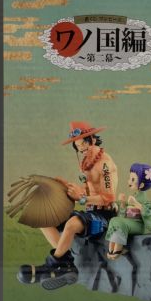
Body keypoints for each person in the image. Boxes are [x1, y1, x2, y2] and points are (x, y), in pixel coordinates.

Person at [17, 121, 118, 289]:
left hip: (104, 216)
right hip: (90, 213)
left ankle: (53, 264)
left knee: (72, 224)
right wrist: (66, 186)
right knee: (44, 219)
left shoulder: (105, 164)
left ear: (93, 140)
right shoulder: (87, 163)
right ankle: (66, 263)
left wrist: (82, 199)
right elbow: (87, 191)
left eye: (83, 143)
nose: (81, 148)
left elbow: (108, 197)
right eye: (77, 146)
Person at [105, 163, 151, 260]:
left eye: (133, 179)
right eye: (130, 178)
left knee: (119, 222)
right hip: (130, 223)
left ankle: (118, 250)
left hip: (138, 225)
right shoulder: (134, 196)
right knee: (114, 220)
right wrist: (122, 203)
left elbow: (148, 211)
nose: (129, 181)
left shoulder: (143, 199)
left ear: (141, 184)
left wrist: (136, 204)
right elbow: (122, 215)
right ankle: (111, 250)